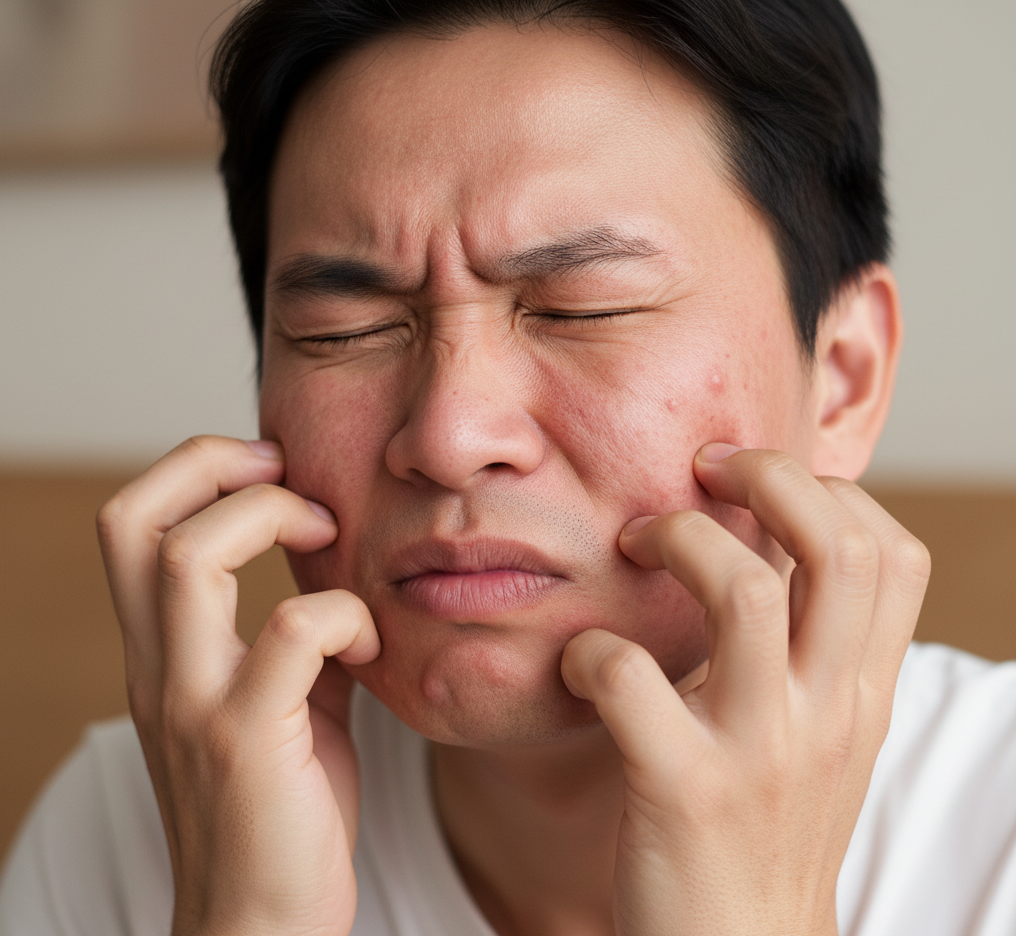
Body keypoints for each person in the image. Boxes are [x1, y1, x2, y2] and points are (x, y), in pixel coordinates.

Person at [2, 1, 1014, 934]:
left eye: (582, 309)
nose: (447, 436)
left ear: (839, 379)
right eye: (343, 327)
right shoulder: (146, 815)